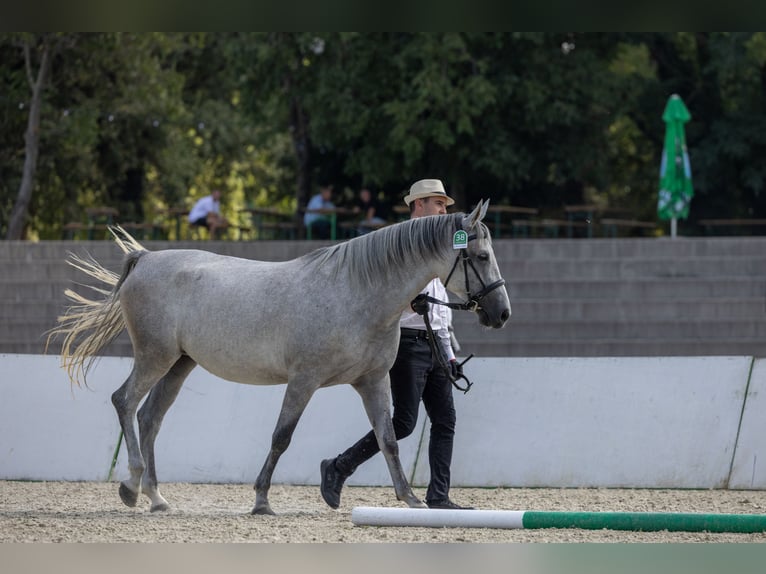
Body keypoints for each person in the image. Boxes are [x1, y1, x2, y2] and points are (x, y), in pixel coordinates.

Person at [320, 178, 474, 510]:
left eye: (445, 205)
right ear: (419, 204)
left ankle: (439, 496)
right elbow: (380, 295)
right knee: (404, 422)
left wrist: (449, 356)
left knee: (445, 421)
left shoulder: (439, 245)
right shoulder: (396, 244)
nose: (444, 209)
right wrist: (407, 305)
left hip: (434, 343)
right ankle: (340, 466)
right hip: (406, 341)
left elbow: (440, 311)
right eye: (438, 203)